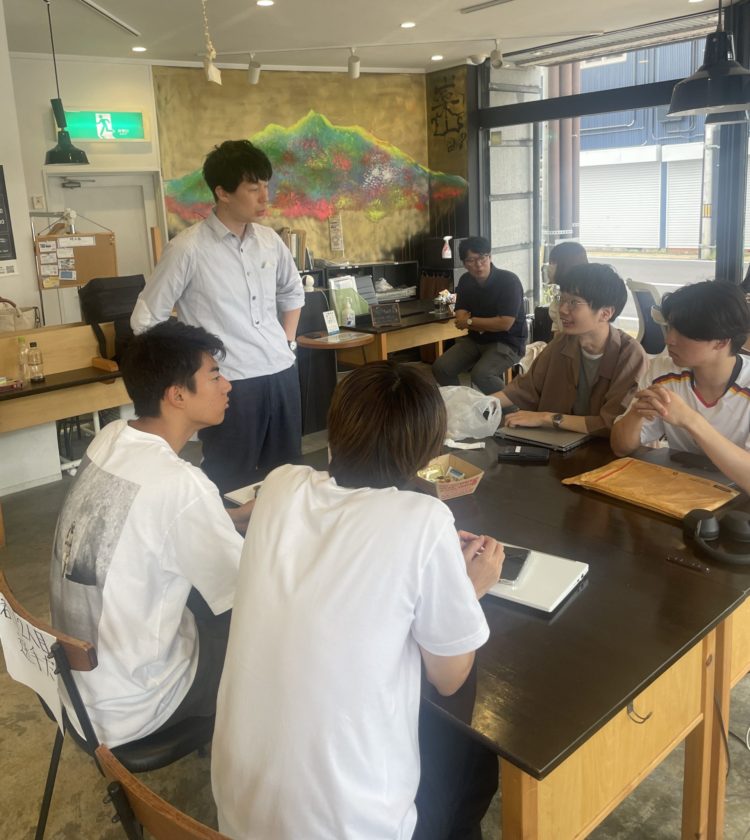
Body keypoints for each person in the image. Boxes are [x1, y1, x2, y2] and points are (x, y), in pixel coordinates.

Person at [212, 362, 504, 840]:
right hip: (352, 825)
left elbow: (338, 539)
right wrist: (471, 588)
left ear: (335, 430)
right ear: (429, 452)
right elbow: (448, 677)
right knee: (472, 759)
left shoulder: (281, 484)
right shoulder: (425, 519)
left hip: (238, 810)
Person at [49, 321, 255, 747]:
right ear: (177, 395)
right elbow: (249, 592)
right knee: (266, 636)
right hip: (136, 705)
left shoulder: (110, 438)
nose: (228, 386)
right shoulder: (181, 485)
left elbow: (144, 521)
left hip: (77, 689)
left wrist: (228, 519)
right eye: (215, 376)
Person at [131, 139, 305, 495]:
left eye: (266, 186)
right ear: (222, 193)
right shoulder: (187, 248)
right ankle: (226, 532)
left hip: (281, 373)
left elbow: (292, 292)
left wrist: (288, 342)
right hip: (231, 382)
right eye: (253, 188)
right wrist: (192, 369)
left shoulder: (270, 241)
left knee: (287, 476)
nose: (265, 197)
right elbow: (146, 318)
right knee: (230, 481)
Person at [610, 280, 750, 493]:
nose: (669, 339)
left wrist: (690, 420)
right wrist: (635, 415)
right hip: (680, 490)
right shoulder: (663, 371)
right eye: (670, 327)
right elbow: (620, 448)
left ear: (721, 342)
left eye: (684, 332)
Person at [495, 263, 648, 436]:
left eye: (574, 302)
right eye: (562, 299)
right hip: (560, 442)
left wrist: (546, 418)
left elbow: (611, 423)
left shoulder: (630, 355)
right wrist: (481, 404)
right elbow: (525, 388)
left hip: (604, 448)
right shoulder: (562, 342)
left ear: (605, 313)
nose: (562, 309)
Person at [432, 236, 527, 394]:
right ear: (464, 263)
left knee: (482, 375)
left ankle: (512, 407)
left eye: (482, 258)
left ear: (490, 257)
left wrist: (470, 322)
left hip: (508, 341)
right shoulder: (465, 280)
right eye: (471, 260)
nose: (478, 264)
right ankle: (464, 403)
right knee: (441, 368)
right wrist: (479, 323)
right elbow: (460, 315)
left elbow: (505, 324)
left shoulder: (509, 281)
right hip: (476, 339)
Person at [546, 240, 589, 334]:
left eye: (553, 263)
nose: (549, 267)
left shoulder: (583, 293)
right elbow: (558, 331)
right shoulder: (560, 291)